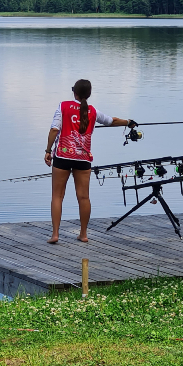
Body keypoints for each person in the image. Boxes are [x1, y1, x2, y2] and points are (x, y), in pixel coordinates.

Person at [44, 79, 136, 244]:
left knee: (57, 196)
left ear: (75, 92)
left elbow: (54, 129)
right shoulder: (93, 111)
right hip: (83, 159)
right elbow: (111, 121)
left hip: (63, 156)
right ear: (89, 94)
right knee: (84, 197)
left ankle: (55, 234)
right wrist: (128, 122)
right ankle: (83, 234)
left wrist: (48, 151)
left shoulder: (63, 106)